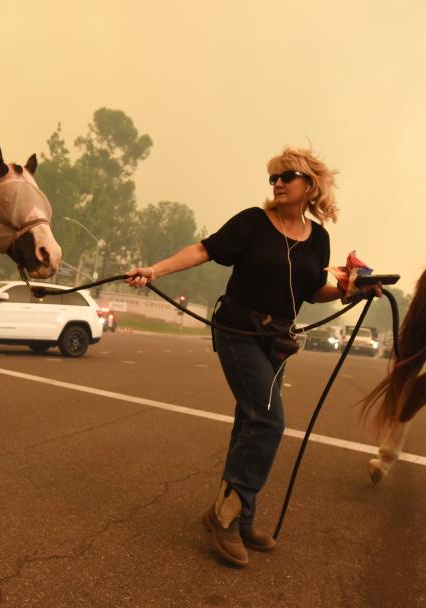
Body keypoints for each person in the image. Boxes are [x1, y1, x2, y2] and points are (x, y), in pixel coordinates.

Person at [126, 147, 358, 567]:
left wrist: (349, 289)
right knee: (268, 420)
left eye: (287, 176)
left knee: (251, 420)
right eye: (273, 178)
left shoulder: (319, 238)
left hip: (277, 340)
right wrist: (154, 271)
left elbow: (312, 292)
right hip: (238, 331)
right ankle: (228, 517)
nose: (278, 184)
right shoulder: (253, 222)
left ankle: (236, 512)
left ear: (310, 185)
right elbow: (204, 249)